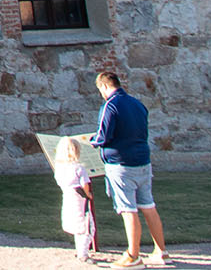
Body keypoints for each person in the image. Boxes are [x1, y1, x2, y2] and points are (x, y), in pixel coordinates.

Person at [91, 69, 168, 267]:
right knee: (148, 205)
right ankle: (161, 250)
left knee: (128, 209)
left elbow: (104, 135)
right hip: (142, 160)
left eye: (101, 89)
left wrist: (92, 141)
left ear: (105, 86)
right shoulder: (137, 103)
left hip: (121, 163)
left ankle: (133, 255)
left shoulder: (110, 105)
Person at [52, 134, 96, 261]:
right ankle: (83, 253)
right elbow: (85, 184)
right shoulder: (79, 168)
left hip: (68, 196)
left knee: (77, 225)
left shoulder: (59, 169)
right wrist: (88, 194)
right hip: (80, 198)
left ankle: (79, 249)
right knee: (86, 226)